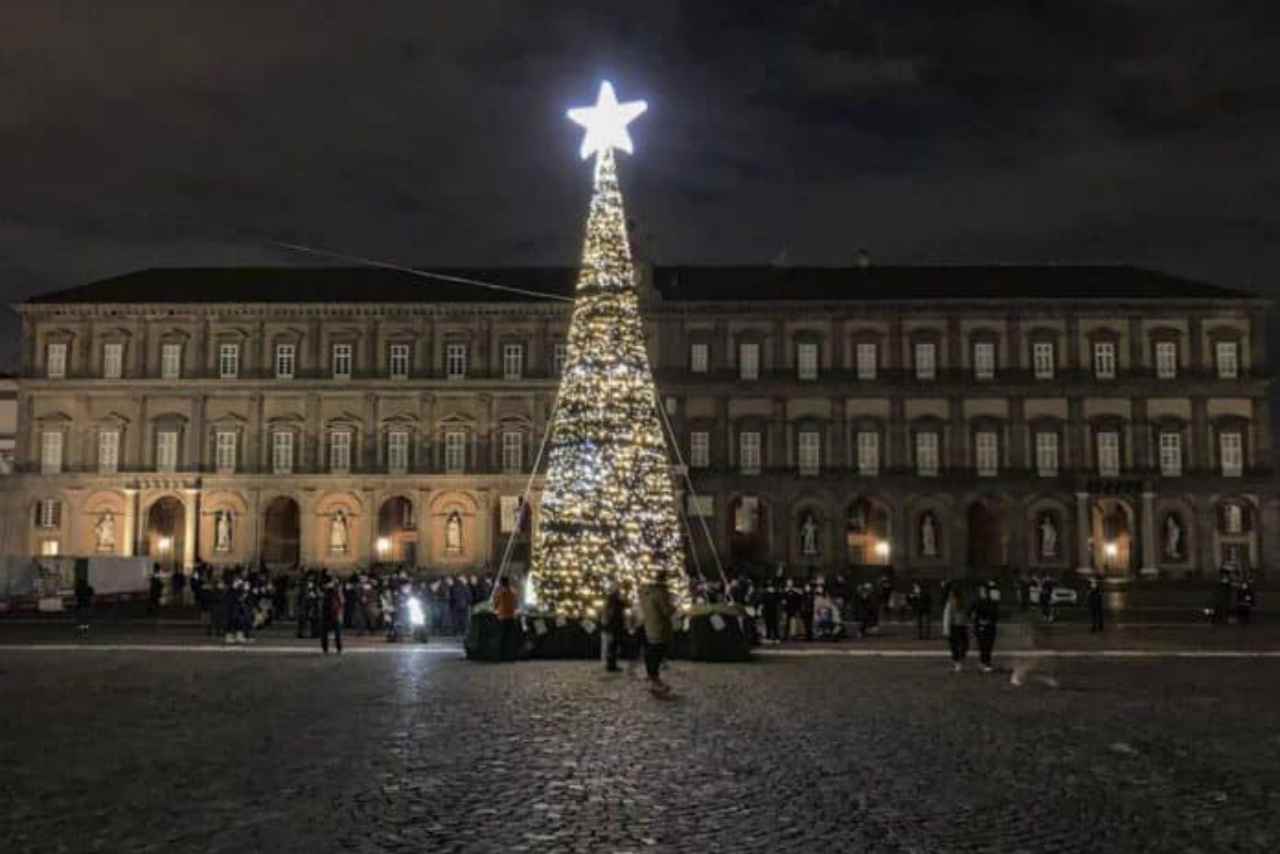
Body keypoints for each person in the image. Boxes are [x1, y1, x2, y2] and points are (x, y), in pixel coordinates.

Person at [639, 571, 676, 695]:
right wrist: (674, 607)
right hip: (660, 627)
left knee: (652, 652)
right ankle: (655, 681)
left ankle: (652, 678)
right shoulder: (661, 594)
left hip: (650, 626)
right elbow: (667, 611)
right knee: (658, 653)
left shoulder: (645, 592)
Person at [970, 584, 999, 673]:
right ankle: (984, 663)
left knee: (988, 646)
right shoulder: (976, 602)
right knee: (983, 646)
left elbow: (996, 614)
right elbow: (970, 612)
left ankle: (986, 663)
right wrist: (977, 620)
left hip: (990, 627)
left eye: (984, 591)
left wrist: (990, 621)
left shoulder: (992, 602)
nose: (983, 593)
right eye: (982, 591)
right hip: (981, 627)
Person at [941, 586, 969, 673]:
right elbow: (947, 617)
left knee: (963, 645)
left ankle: (959, 661)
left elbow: (964, 616)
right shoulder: (951, 604)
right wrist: (946, 629)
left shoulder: (962, 604)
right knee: (956, 646)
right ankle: (957, 662)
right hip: (954, 627)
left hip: (960, 627)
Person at [492, 576, 519, 661]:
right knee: (511, 638)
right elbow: (516, 603)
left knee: (501, 637)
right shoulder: (513, 592)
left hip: (502, 617)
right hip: (511, 616)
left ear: (501, 583)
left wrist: (496, 609)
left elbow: (495, 603)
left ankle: (500, 656)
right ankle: (511, 656)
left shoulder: (499, 592)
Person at [602, 583, 626, 672]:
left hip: (614, 626)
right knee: (613, 646)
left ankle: (611, 664)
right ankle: (611, 665)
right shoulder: (614, 600)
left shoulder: (611, 600)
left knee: (612, 646)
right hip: (615, 626)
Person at [320, 573, 344, 655]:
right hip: (332, 612)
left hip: (329, 612)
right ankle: (337, 648)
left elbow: (341, 600)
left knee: (327, 632)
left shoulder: (330, 588)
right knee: (335, 632)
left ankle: (327, 649)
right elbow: (342, 601)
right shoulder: (334, 588)